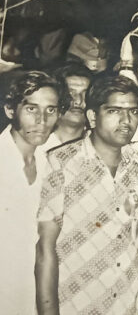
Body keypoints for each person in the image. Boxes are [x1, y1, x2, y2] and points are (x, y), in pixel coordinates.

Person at [35, 75, 138, 315]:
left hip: (128, 306)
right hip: (76, 306)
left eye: (133, 112)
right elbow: (45, 248)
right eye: (114, 111)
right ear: (93, 117)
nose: (126, 120)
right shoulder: (61, 163)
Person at [0, 71, 68, 314]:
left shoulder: (52, 157)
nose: (42, 119)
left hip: (36, 289)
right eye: (31, 109)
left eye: (51, 110)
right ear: (10, 110)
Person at [47, 62, 93, 147]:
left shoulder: (99, 146)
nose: (78, 101)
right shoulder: (35, 146)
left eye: (85, 94)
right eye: (70, 93)